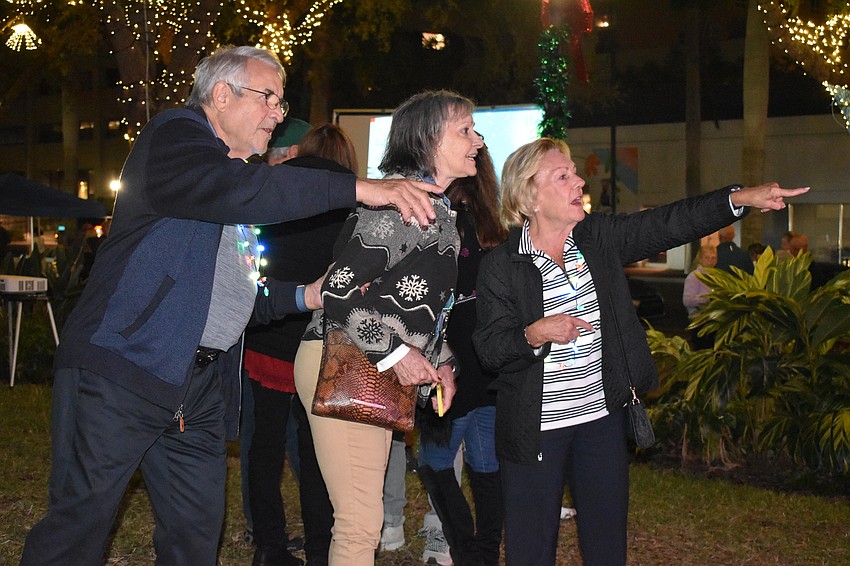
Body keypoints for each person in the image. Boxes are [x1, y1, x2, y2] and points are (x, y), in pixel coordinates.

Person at [19, 45, 437, 566]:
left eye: (282, 105)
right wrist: (360, 188)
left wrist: (303, 295)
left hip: (196, 394)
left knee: (195, 539)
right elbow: (245, 191)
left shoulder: (229, 181)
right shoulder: (176, 137)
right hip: (123, 372)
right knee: (77, 532)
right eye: (269, 99)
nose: (278, 115)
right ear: (221, 95)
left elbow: (234, 295)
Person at [472, 137, 808, 566]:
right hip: (536, 429)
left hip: (600, 420)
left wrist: (739, 199)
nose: (579, 182)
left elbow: (667, 223)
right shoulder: (502, 265)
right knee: (531, 549)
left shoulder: (597, 239)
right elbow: (489, 349)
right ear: (528, 195)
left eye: (575, 172)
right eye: (563, 175)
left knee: (607, 544)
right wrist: (534, 333)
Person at [294, 89, 483, 566]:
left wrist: (441, 364)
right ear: (426, 140)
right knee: (359, 523)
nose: (477, 140)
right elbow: (337, 292)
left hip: (367, 361)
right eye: (465, 130)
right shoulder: (394, 204)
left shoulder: (438, 210)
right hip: (342, 358)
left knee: (362, 520)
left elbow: (419, 306)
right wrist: (398, 356)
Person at [244, 122, 354, 566]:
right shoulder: (348, 198)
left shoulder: (277, 189)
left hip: (269, 333)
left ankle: (269, 544)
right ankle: (320, 547)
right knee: (315, 453)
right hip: (319, 341)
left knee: (264, 446)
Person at [416, 140, 506, 566]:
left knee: (435, 462)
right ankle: (482, 553)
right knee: (485, 464)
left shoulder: (442, 220)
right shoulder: (496, 226)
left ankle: (469, 550)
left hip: (450, 361)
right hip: (489, 361)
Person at [682, 245, 718, 350]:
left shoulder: (716, 276)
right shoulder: (694, 277)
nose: (710, 261)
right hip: (699, 322)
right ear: (701, 259)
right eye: (707, 257)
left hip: (713, 321)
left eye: (713, 258)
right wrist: (708, 298)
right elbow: (687, 300)